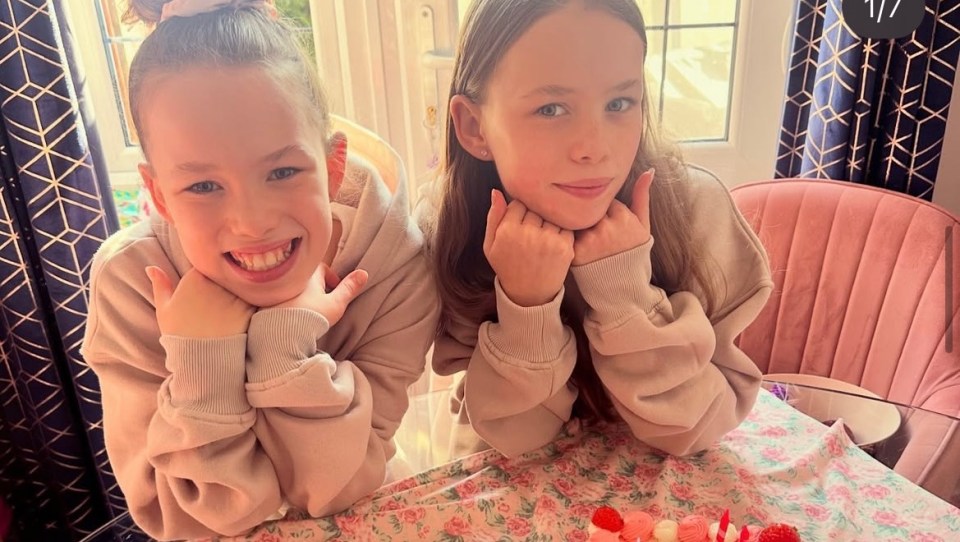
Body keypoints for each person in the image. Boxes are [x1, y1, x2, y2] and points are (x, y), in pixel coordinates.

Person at [80, 1, 438, 539]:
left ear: (333, 166)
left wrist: (286, 347)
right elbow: (179, 520)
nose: (252, 224)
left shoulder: (393, 266)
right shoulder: (130, 284)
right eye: (203, 186)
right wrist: (203, 366)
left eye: (283, 170)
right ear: (159, 194)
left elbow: (340, 490)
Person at [420, 0, 773, 459]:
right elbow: (518, 440)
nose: (595, 148)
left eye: (619, 103)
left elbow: (697, 427)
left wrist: (624, 297)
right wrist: (527, 305)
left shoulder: (696, 213)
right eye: (550, 109)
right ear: (474, 127)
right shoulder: (446, 227)